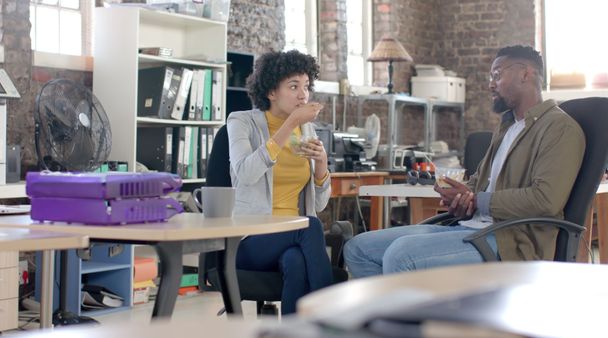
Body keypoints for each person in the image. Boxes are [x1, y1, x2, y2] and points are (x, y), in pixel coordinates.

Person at [343, 45, 585, 278]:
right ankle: (398, 315)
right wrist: (462, 198)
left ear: (525, 74)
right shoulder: (508, 127)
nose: (491, 84)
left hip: (512, 241)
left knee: (401, 255)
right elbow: (479, 187)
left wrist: (478, 200)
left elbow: (545, 201)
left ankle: (410, 317)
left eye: (497, 75)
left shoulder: (559, 128)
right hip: (471, 227)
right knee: (358, 248)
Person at [227, 50, 333, 314]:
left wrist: (321, 165)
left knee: (295, 261)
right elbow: (246, 173)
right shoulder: (241, 122)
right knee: (310, 226)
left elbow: (318, 204)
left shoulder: (307, 131)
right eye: (294, 86)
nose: (303, 95)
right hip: (249, 239)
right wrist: (290, 124)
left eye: (306, 87)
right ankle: (334, 319)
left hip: (293, 239)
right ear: (272, 92)